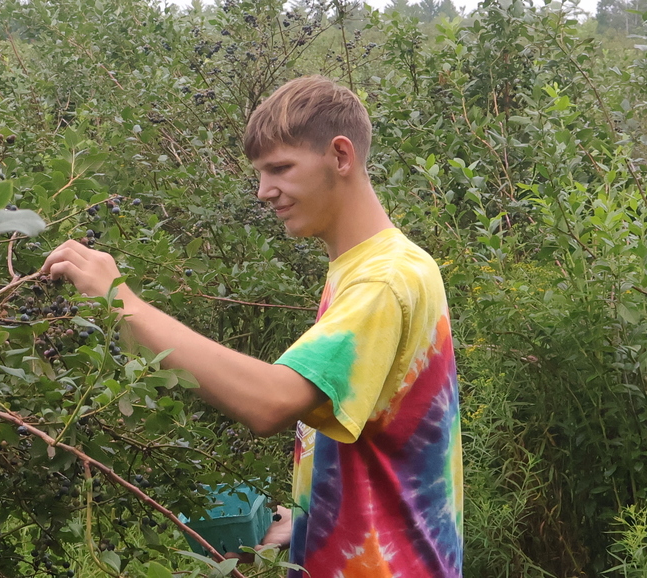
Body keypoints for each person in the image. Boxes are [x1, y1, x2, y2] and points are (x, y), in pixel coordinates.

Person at [42, 75, 464, 577]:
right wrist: (307, 520)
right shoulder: (364, 267)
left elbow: (270, 402)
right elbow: (370, 431)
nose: (264, 192)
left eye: (280, 169)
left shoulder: (383, 280)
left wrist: (121, 301)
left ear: (341, 156)